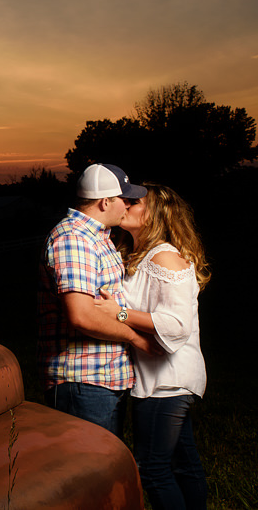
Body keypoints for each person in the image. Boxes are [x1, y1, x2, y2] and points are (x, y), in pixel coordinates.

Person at [101, 183, 209, 510]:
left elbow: (177, 325)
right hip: (162, 377)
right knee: (184, 462)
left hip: (168, 379)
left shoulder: (165, 256)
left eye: (135, 202)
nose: (126, 204)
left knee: (152, 468)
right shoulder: (143, 255)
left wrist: (118, 313)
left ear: (154, 215)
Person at [36, 163, 156, 438]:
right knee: (87, 470)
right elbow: (82, 316)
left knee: (105, 467)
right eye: (125, 199)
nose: (128, 205)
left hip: (102, 378)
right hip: (82, 380)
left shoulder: (99, 238)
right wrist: (137, 339)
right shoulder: (74, 239)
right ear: (105, 202)